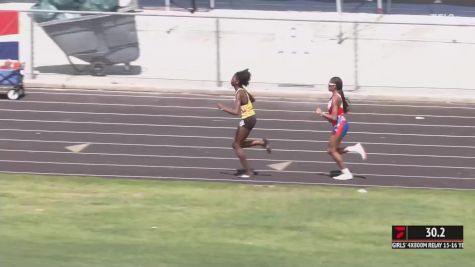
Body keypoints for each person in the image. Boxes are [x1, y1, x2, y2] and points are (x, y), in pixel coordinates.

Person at [217, 69, 271, 178]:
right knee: (237, 144)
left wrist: (223, 108)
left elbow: (236, 112)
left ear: (236, 81)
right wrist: (246, 104)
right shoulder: (243, 90)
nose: (230, 79)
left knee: (237, 145)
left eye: (233, 77)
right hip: (251, 118)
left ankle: (249, 172)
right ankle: (261, 142)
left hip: (247, 119)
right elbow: (253, 99)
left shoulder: (239, 93)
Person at [315, 76, 367, 180]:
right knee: (331, 150)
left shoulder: (335, 98)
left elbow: (334, 117)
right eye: (329, 84)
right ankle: (355, 148)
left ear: (336, 86)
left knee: (332, 150)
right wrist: (325, 115)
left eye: (331, 85)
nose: (328, 86)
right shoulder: (334, 97)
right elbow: (333, 118)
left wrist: (322, 114)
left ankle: (347, 173)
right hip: (339, 125)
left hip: (340, 125)